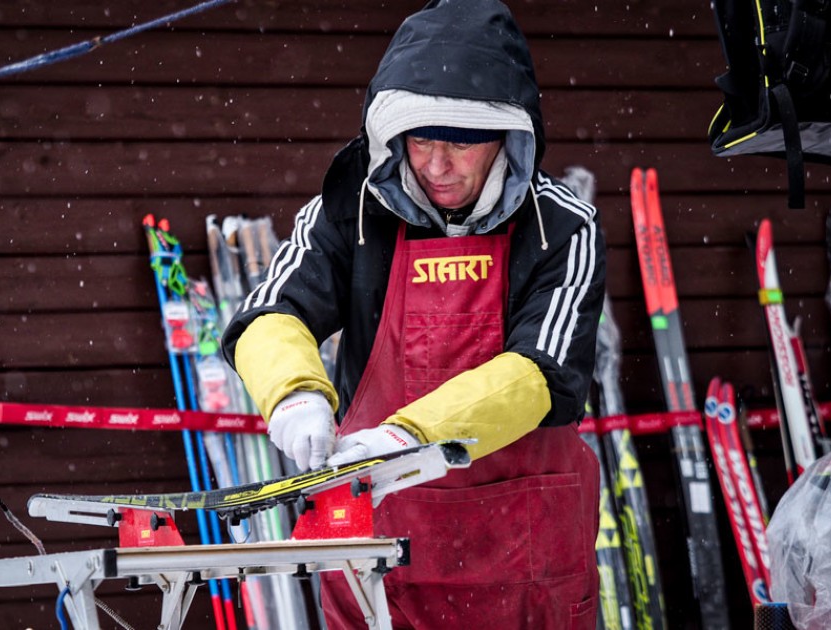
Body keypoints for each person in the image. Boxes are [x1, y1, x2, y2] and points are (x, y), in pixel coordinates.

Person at [222, 0, 605, 627]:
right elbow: (271, 310)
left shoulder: (562, 226)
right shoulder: (353, 213)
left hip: (524, 558)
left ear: (506, 137)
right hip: (379, 556)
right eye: (422, 139)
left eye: (460, 144)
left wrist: (411, 438)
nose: (435, 166)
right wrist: (293, 394)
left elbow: (542, 373)